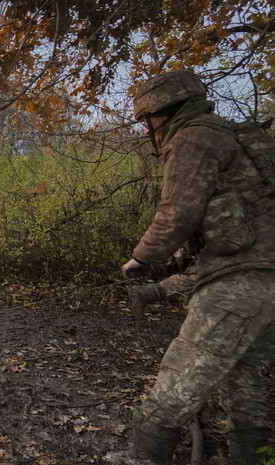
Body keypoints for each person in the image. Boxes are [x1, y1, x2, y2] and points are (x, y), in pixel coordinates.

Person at [112, 70, 275, 465]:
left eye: (145, 121)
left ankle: (144, 457)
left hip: (239, 279)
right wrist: (183, 258)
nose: (147, 129)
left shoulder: (191, 138)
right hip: (266, 277)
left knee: (184, 370)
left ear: (157, 111)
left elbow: (178, 213)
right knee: (245, 383)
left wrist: (140, 258)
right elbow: (229, 213)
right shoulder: (234, 136)